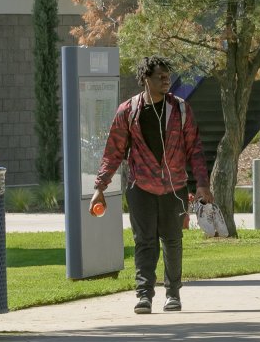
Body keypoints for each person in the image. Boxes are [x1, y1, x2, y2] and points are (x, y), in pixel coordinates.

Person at [90, 55, 211, 315]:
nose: (166, 80)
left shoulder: (180, 109)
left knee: (172, 240)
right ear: (146, 79)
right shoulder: (128, 111)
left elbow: (195, 150)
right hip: (140, 187)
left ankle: (173, 294)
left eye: (168, 76)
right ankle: (144, 295)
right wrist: (100, 187)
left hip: (175, 187)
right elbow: (113, 152)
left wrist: (202, 183)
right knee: (144, 241)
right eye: (160, 77)